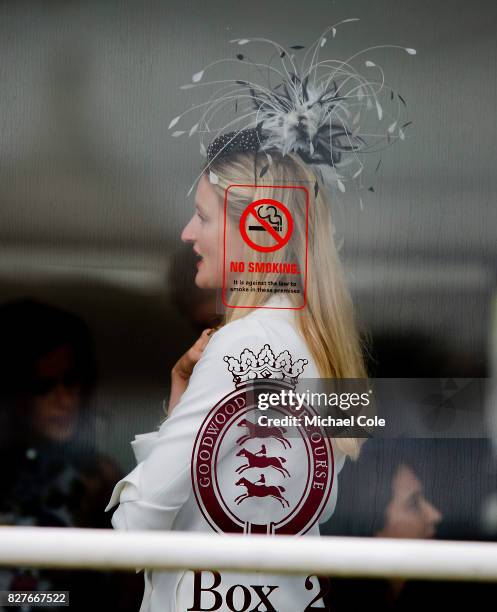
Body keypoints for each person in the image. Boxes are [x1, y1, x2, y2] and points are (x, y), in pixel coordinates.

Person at [106, 25, 414, 612]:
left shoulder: (238, 347)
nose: (187, 234)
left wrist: (175, 420)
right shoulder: (316, 344)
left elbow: (134, 528)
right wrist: (183, 403)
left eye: (201, 216)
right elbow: (290, 509)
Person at [0, 299, 141, 612]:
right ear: (13, 390)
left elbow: (131, 579)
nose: (63, 399)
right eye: (43, 386)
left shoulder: (100, 476)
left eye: (72, 381)